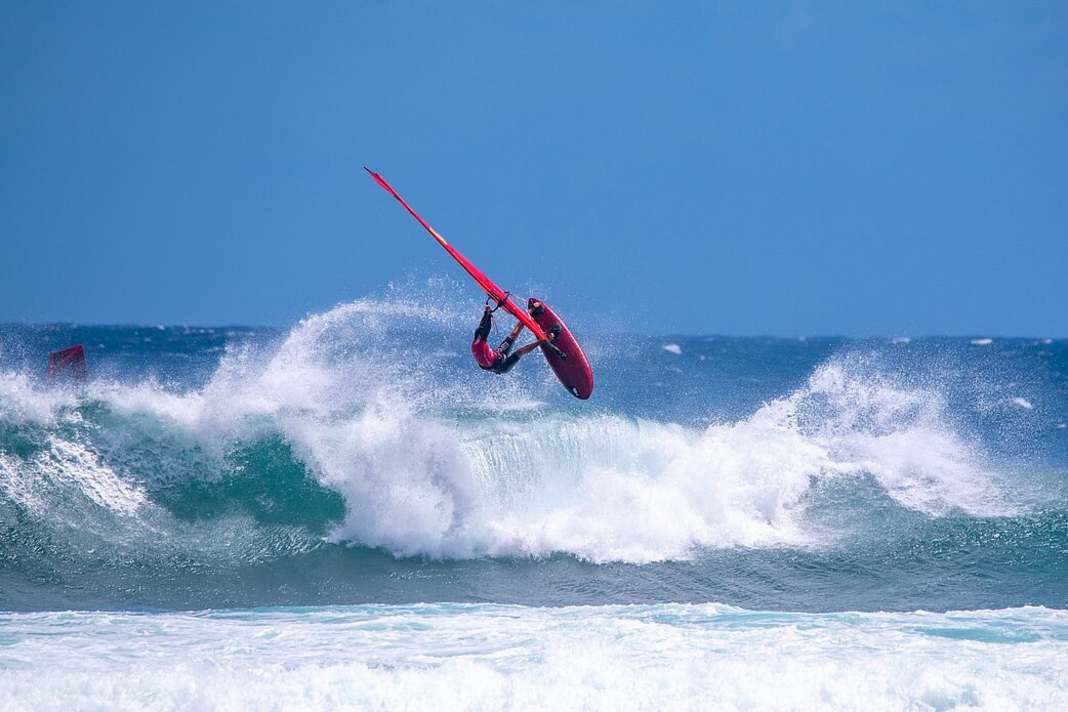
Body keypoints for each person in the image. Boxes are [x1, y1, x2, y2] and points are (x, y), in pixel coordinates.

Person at [471, 298, 556, 374]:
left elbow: (483, 326)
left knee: (513, 334)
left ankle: (531, 311)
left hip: (497, 354)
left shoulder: (478, 338)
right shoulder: (481, 343)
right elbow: (487, 328)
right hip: (502, 366)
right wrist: (488, 314)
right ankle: (543, 340)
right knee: (520, 352)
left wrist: (486, 313)